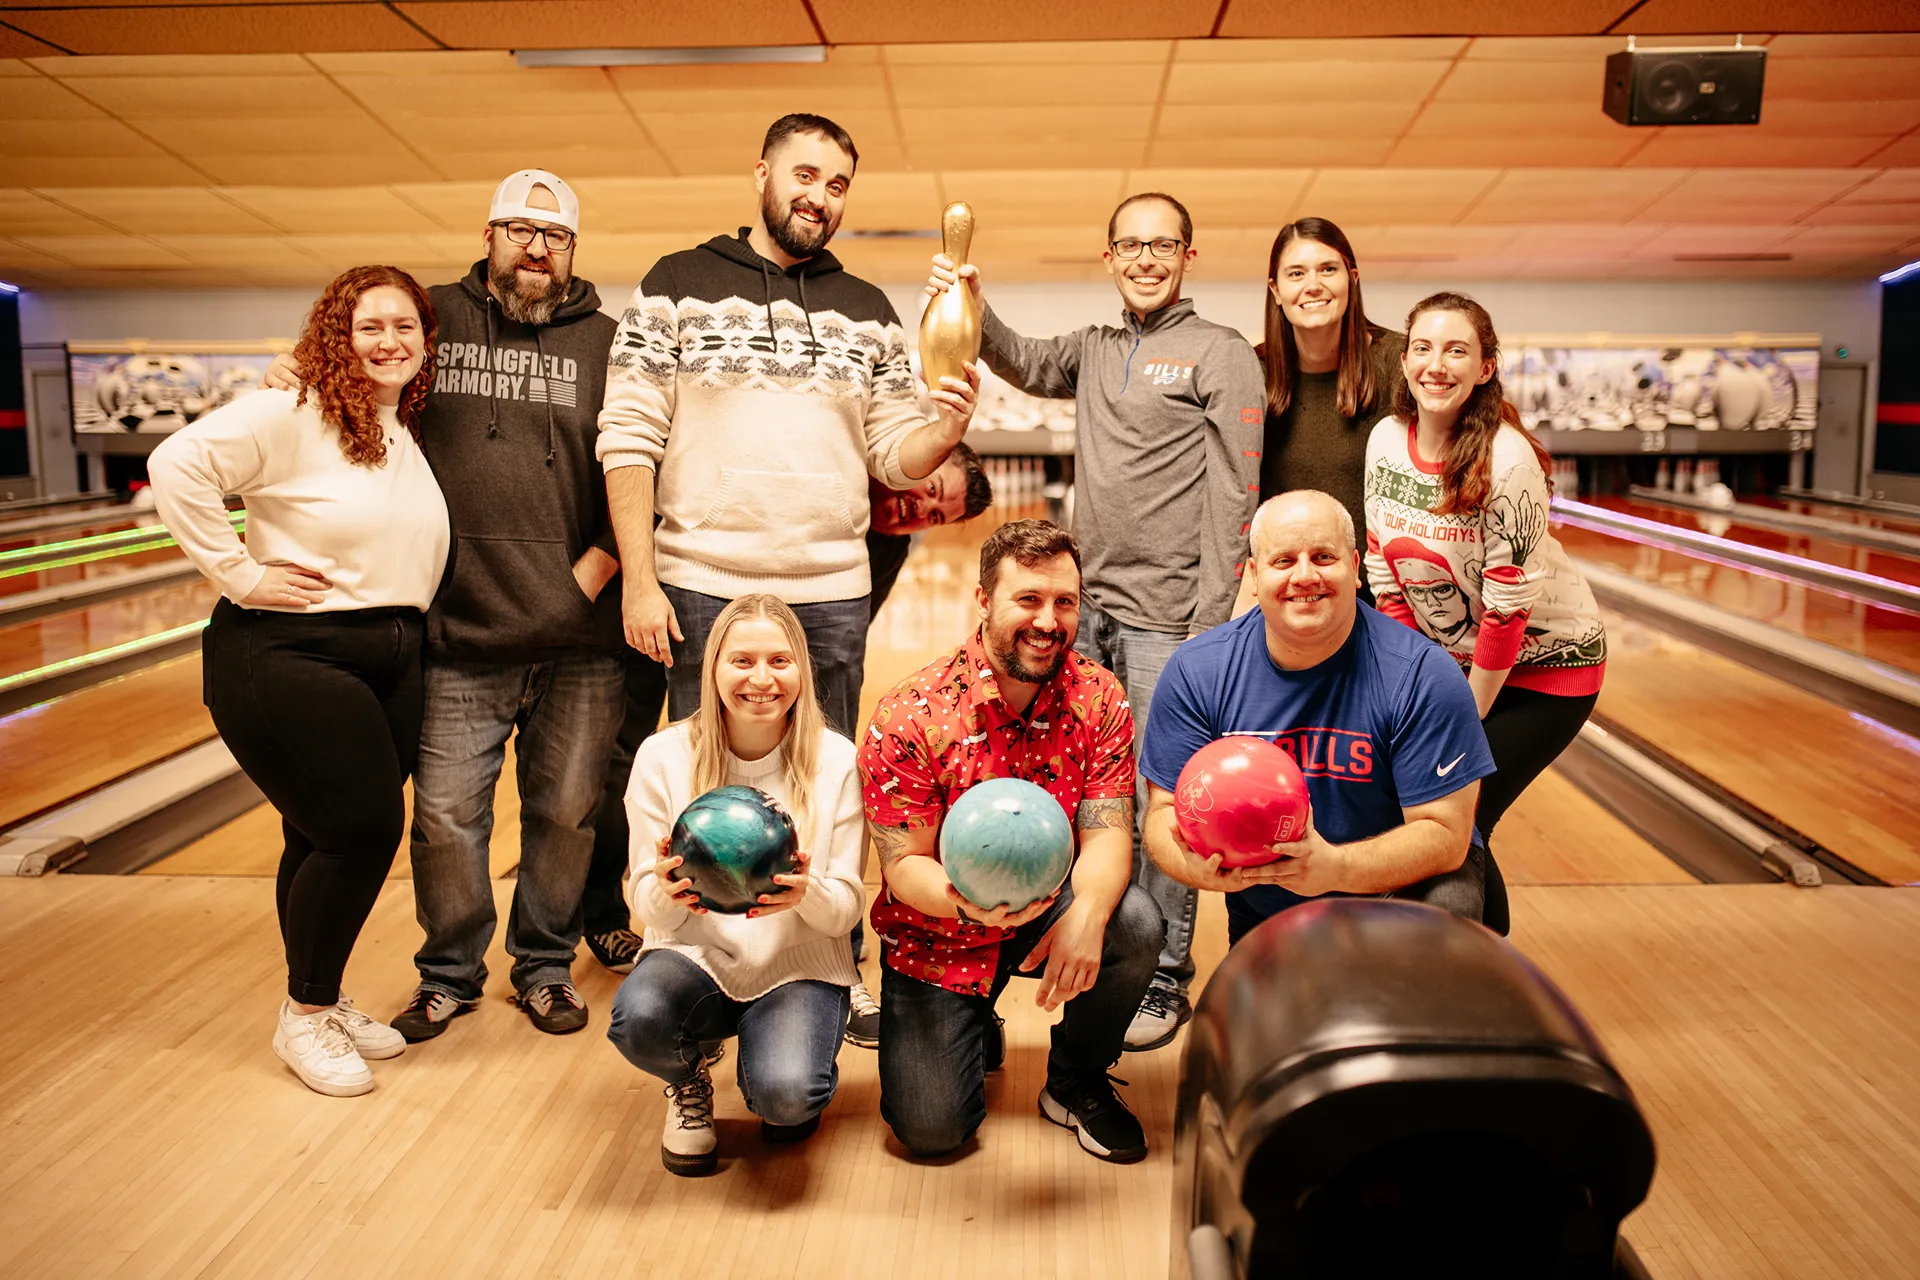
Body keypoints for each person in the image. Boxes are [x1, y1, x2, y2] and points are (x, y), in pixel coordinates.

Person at [265, 168, 625, 1040]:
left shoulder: (611, 341)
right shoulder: (429, 316)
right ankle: (450, 973)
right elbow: (350, 365)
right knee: (444, 818)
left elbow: (656, 459)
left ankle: (543, 965)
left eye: (555, 236)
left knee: (568, 811)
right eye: (517, 230)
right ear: (490, 235)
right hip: (456, 631)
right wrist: (290, 372)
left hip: (582, 639)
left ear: (574, 249)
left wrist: (601, 564)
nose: (535, 249)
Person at [928, 192, 1265, 1053]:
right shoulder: (1093, 348)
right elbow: (1017, 358)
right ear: (1109, 256)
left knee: (1165, 798)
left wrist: (1209, 624)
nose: (1146, 258)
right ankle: (1066, 935)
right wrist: (969, 293)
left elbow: (1235, 493)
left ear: (1189, 255)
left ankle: (1163, 974)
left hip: (1168, 620)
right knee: (1088, 792)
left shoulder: (1221, 355)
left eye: (1163, 245)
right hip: (1089, 611)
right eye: (1130, 245)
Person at [149, 265, 449, 1097]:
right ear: (334, 336)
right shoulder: (294, 410)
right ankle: (305, 1014)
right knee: (360, 831)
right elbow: (175, 463)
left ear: (425, 342)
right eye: (368, 327)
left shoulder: (401, 424)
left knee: (316, 837)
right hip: (289, 651)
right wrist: (239, 575)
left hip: (390, 653)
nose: (389, 342)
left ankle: (320, 994)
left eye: (405, 327)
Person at [599, 112, 979, 738]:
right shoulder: (675, 284)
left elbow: (890, 454)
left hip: (832, 592)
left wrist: (945, 430)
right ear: (762, 175)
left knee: (821, 787)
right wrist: (639, 581)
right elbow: (628, 436)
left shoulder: (869, 310)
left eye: (837, 185)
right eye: (804, 175)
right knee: (708, 795)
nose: (819, 197)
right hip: (700, 584)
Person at [860, 519, 1163, 1164]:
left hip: (1047, 909)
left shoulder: (1099, 697)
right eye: (1027, 600)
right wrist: (971, 906)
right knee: (932, 1133)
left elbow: (1109, 835)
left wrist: (1087, 913)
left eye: (1064, 602)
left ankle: (1074, 1082)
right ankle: (972, 1025)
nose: (1048, 621)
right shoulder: (911, 712)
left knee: (1133, 922)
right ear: (983, 602)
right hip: (938, 927)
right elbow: (904, 866)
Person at [1139, 491, 1495, 949]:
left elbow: (1446, 835)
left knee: (1449, 905)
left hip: (1395, 893)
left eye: (1323, 557)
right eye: (1283, 560)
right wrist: (1196, 869)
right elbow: (1162, 813)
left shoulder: (1421, 674)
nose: (1304, 576)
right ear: (1253, 574)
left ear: (1356, 565)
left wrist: (1333, 868)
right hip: (1267, 902)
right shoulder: (1198, 669)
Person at [1363, 292, 1607, 920]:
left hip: (1546, 671)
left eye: (1456, 350)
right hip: (1458, 663)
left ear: (1485, 367)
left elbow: (1505, 610)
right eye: (1422, 348)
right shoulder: (1387, 440)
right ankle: (1480, 965)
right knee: (1448, 813)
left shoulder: (1509, 460)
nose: (1436, 364)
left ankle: (1479, 973)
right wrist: (1414, 683)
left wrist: (1460, 718)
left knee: (1457, 812)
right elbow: (1384, 572)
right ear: (1405, 359)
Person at [607, 594, 865, 1176]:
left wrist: (809, 893)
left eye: (779, 660)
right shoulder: (664, 756)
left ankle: (779, 1061)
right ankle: (688, 1077)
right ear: (713, 669)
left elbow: (846, 909)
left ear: (802, 667)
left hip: (799, 962)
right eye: (742, 660)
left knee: (786, 1100)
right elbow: (646, 901)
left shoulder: (837, 760)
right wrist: (665, 894)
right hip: (691, 953)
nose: (761, 679)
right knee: (638, 1021)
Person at [1242, 217, 1403, 606]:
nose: (1313, 285)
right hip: (1295, 601)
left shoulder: (1398, 362)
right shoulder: (1251, 373)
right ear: (1275, 290)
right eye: (1296, 273)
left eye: (1327, 269)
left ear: (1352, 278)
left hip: (1392, 603)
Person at [866, 440, 994, 617]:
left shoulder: (892, 551)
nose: (922, 509)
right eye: (932, 488)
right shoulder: (844, 461)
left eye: (935, 516)